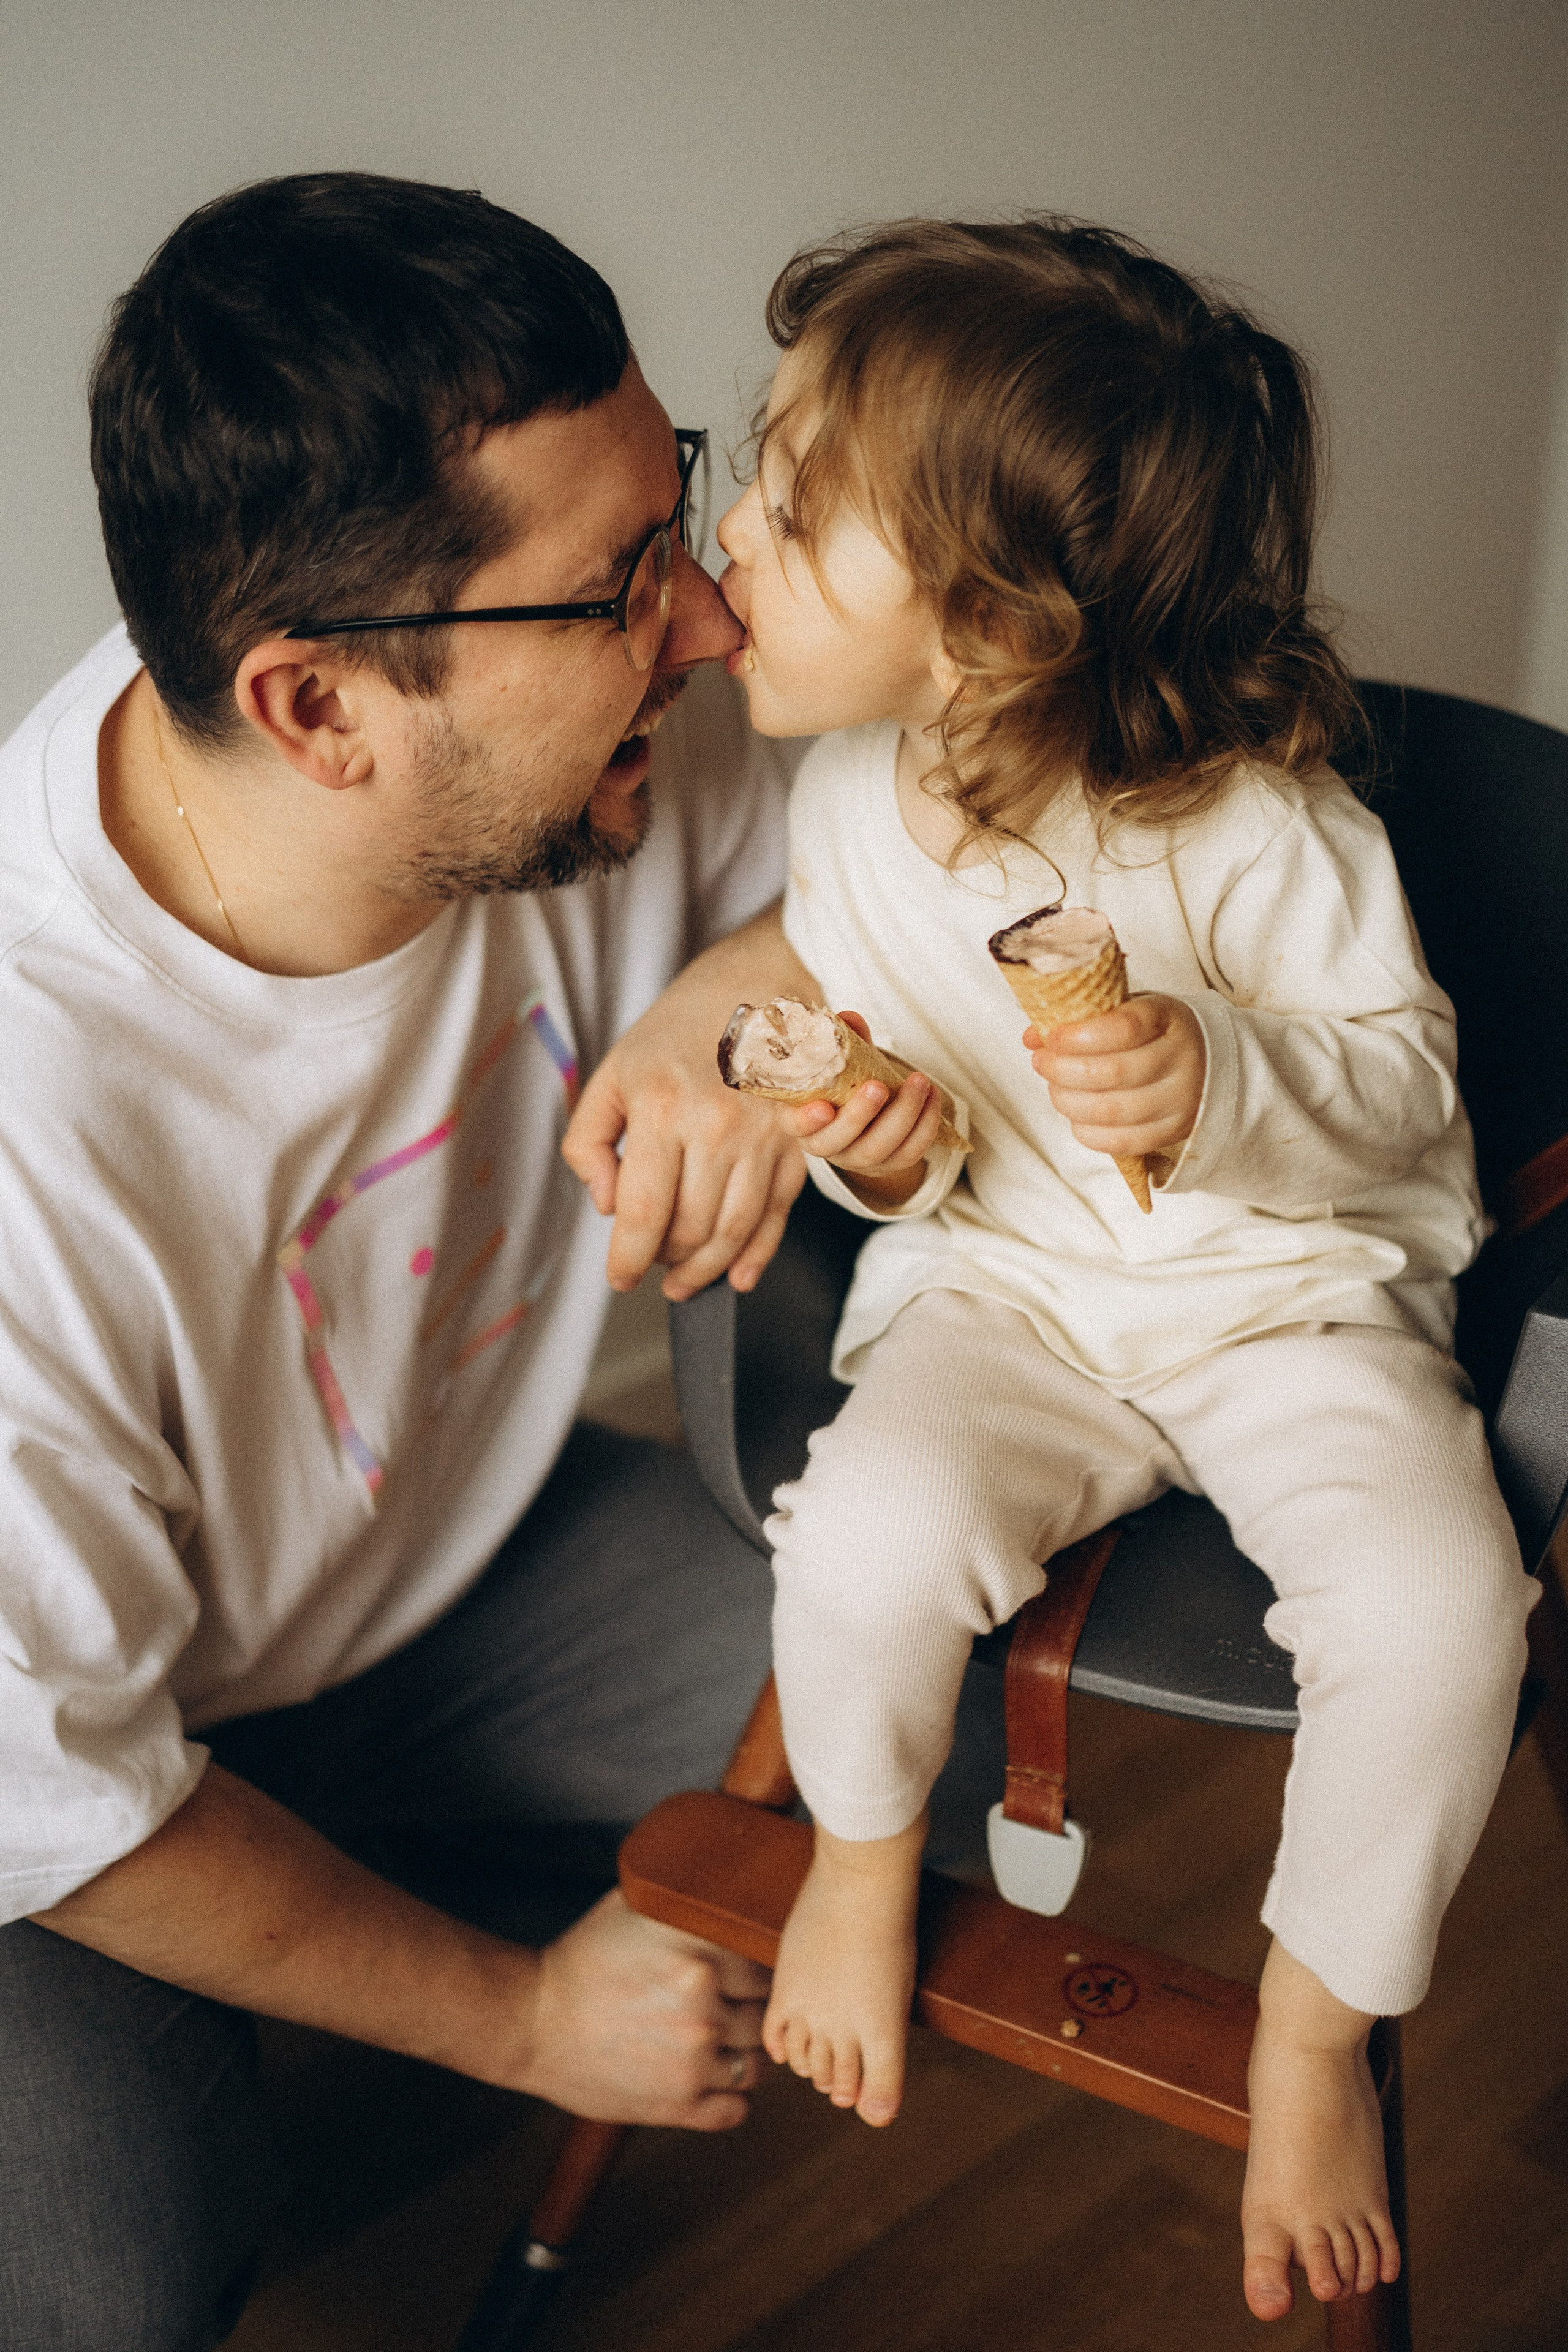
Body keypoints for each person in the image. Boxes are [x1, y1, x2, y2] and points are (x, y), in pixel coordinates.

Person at [0, 168, 850, 2350]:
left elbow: (937, 839)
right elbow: (62, 1797)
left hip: (412, 1595)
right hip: (60, 1783)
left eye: (678, 508)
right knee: (114, 2272)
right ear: (313, 711)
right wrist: (528, 2022)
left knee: (883, 1776)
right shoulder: (28, 1126)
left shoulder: (552, 699)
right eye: (628, 586)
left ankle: (337, 1930)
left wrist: (739, 996)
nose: (720, 625)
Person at [712, 217, 1537, 2323]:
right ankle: (866, 1857)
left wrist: (1220, 1077)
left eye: (796, 507)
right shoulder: (846, 808)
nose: (737, 524)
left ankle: (1316, 2027)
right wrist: (890, 1148)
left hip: (1290, 1301)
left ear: (986, 623)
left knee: (1449, 1618)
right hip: (1015, 1297)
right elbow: (936, 1149)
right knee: (867, 1535)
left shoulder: (1266, 828)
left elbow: (1407, 1107)